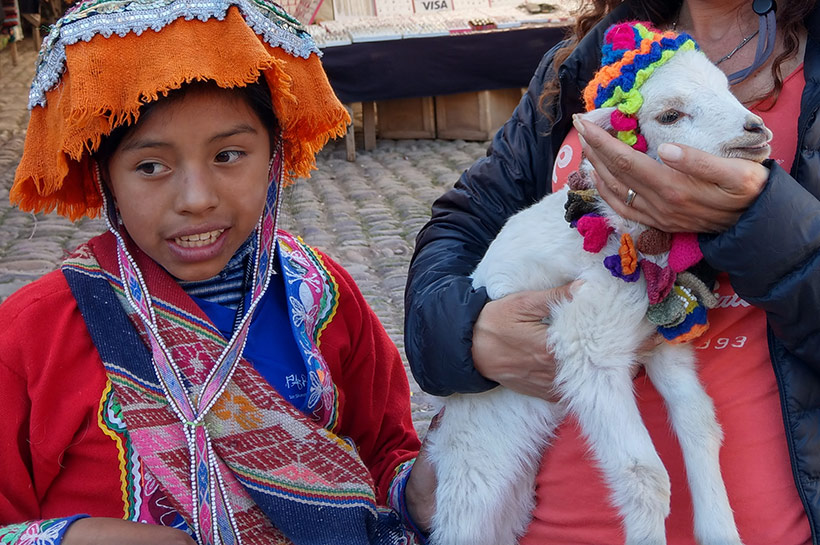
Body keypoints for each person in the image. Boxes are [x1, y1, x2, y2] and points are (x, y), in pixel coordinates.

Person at [0, 0, 434, 543]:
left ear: (274, 155)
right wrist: (79, 536)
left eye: (229, 155)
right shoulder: (34, 331)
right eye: (151, 166)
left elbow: (384, 455)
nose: (197, 199)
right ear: (105, 176)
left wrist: (428, 485)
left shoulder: (320, 296)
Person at [405, 0, 820, 543]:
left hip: (758, 520)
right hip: (531, 520)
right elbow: (461, 226)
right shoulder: (585, 60)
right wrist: (467, 334)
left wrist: (760, 221)